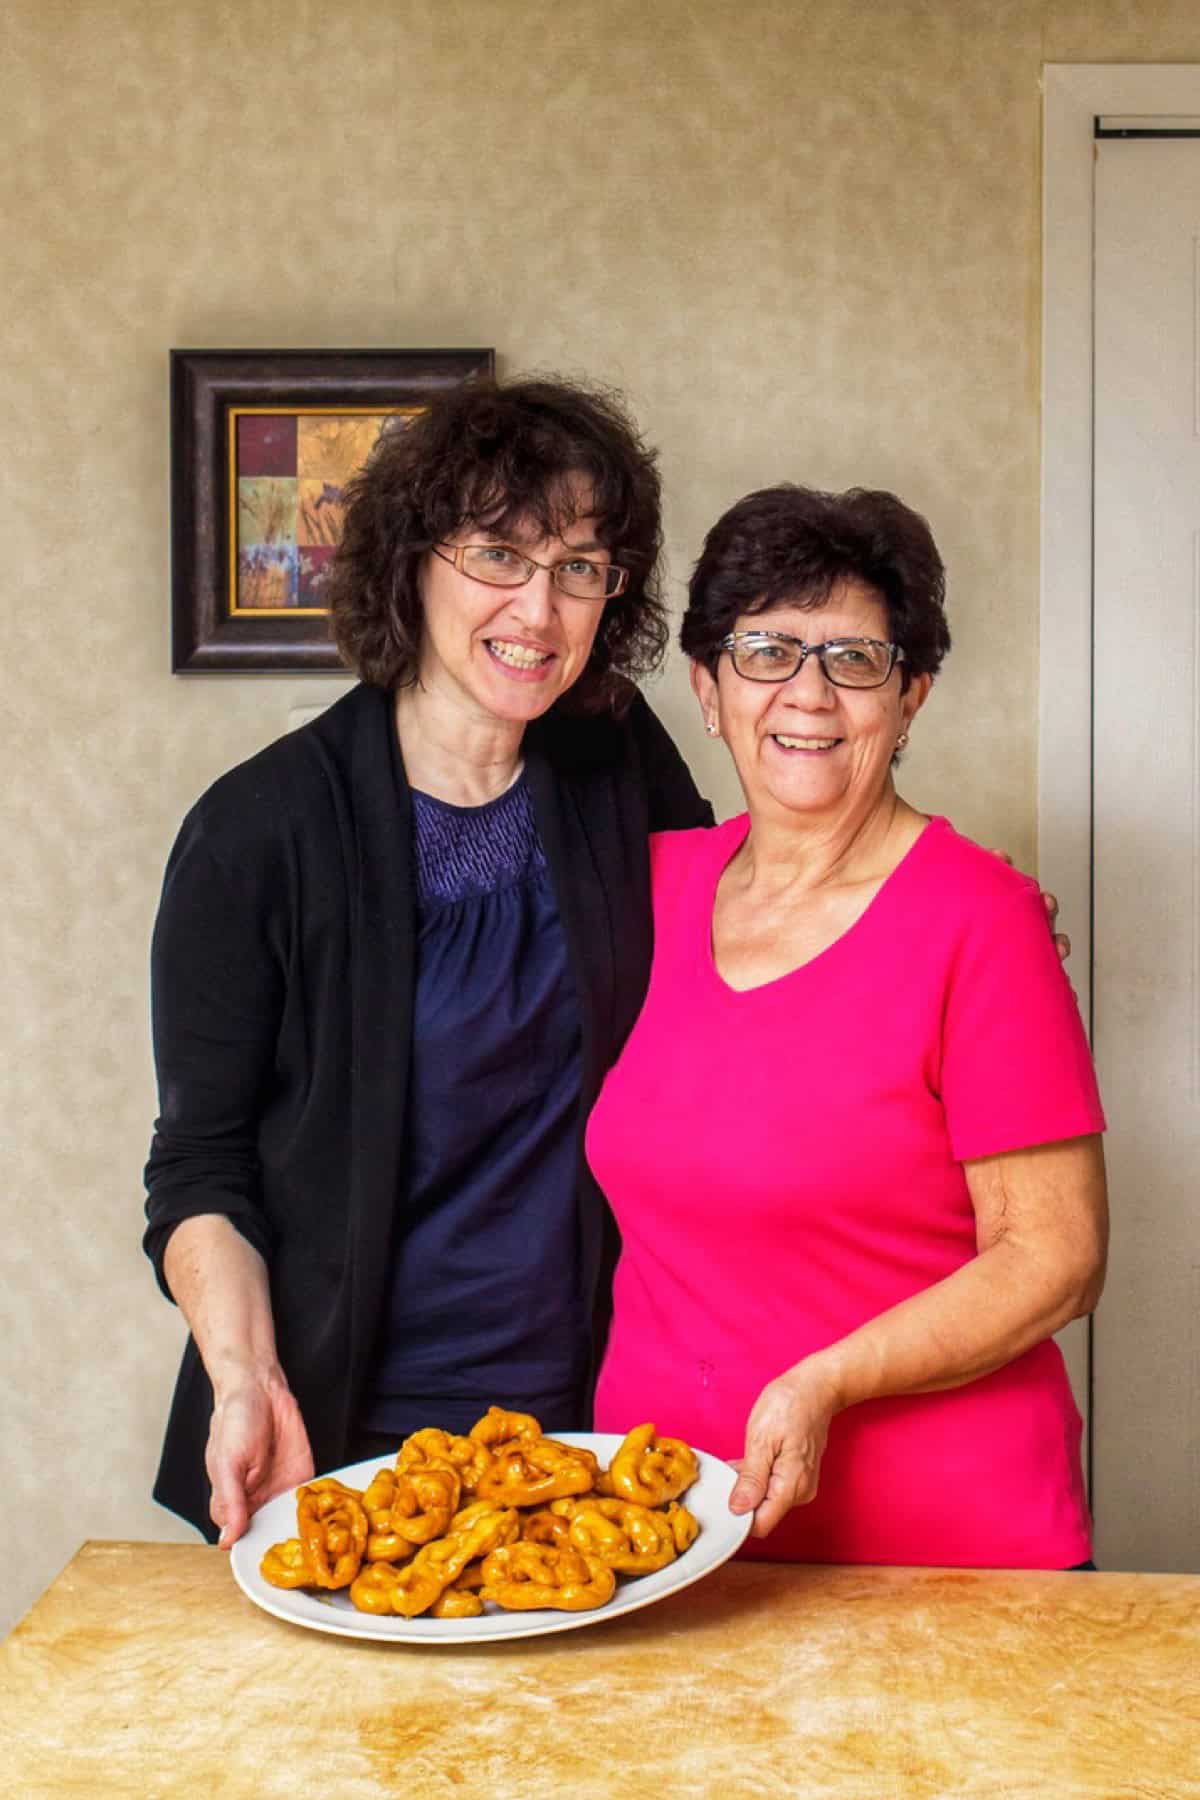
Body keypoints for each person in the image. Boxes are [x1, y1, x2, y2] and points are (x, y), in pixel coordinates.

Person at [143, 376, 712, 1547]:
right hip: (345, 1437)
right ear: (413, 561)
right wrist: (246, 1376)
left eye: (580, 567)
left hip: (600, 1422)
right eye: (500, 555)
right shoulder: (258, 832)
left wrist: (936, 924)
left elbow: (746, 940)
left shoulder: (617, 764)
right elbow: (200, 1168)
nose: (541, 610)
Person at [586, 483, 1108, 1569]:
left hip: (949, 1559)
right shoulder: (647, 890)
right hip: (675, 1535)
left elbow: (1056, 1257)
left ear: (910, 695)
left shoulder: (983, 922)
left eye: (856, 659)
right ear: (708, 687)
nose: (809, 697)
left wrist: (827, 1379)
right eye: (768, 651)